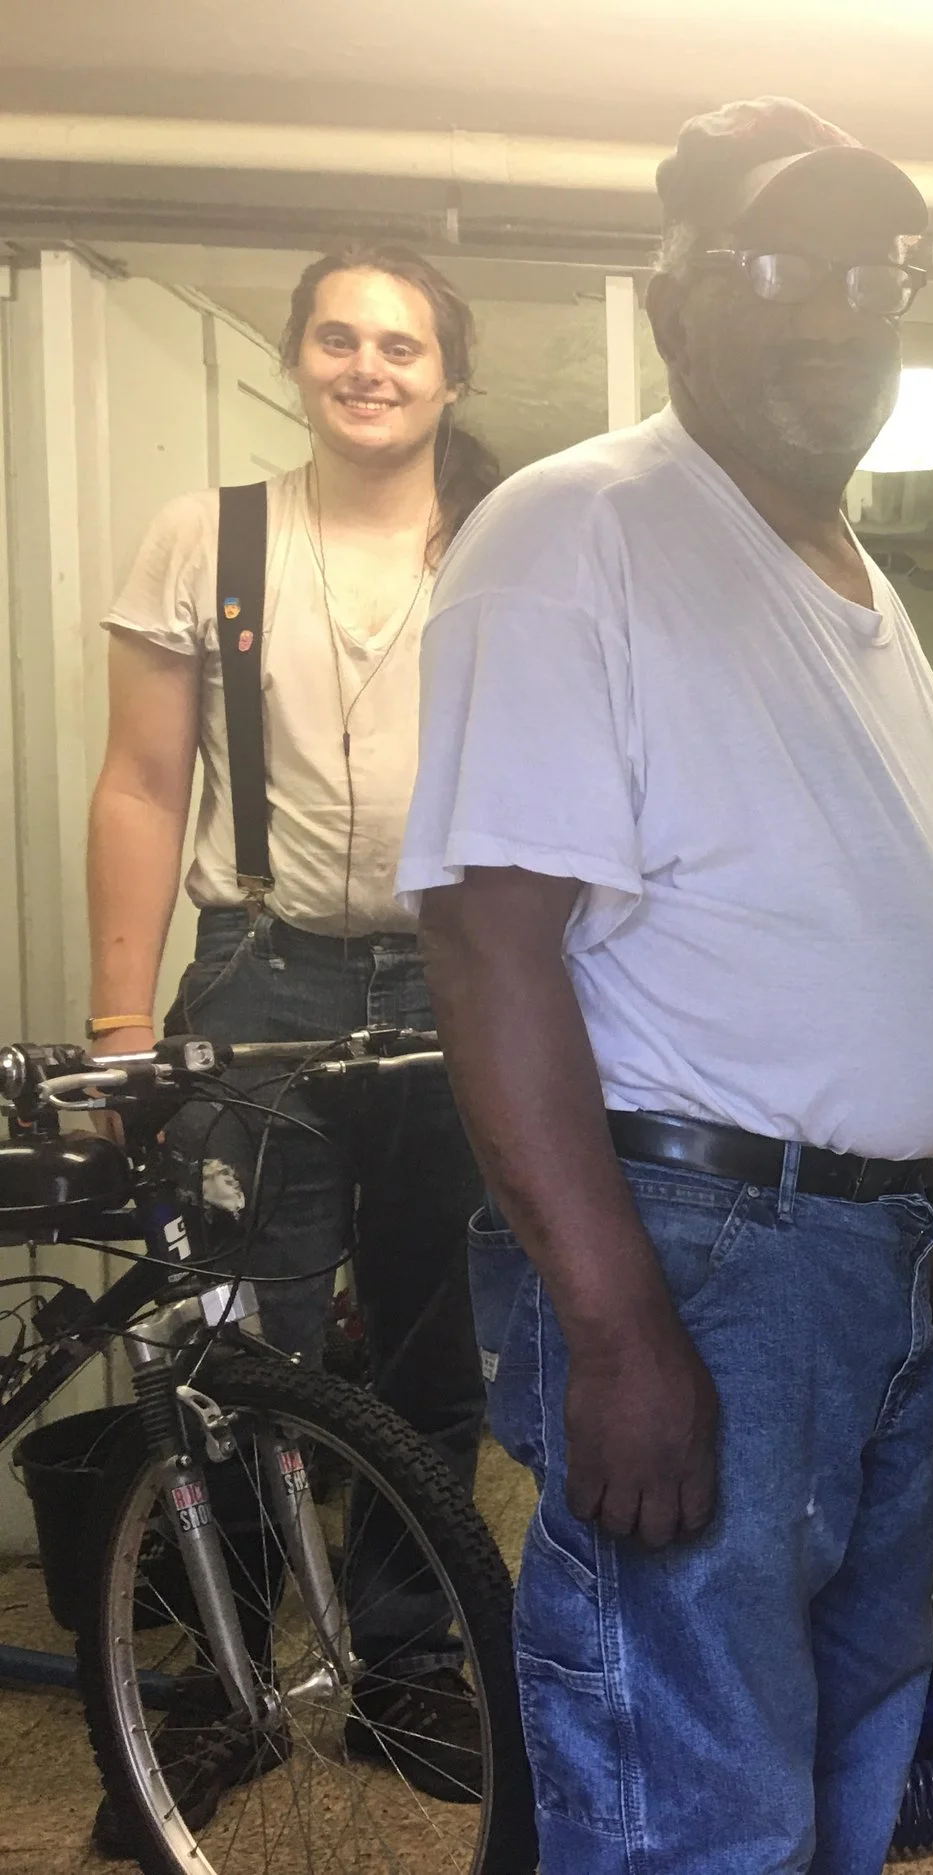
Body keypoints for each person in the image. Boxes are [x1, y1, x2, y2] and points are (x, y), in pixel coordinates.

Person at [397, 99, 933, 1875]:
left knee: (836, 1759)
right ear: (670, 301)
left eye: (864, 273)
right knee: (687, 1800)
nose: (830, 311)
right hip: (699, 1251)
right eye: (770, 265)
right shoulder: (576, 531)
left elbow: (877, 904)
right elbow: (487, 940)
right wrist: (613, 1327)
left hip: (852, 1254)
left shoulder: (848, 568)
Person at [84, 244, 502, 1839]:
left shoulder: (504, 540)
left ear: (448, 374)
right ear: (300, 359)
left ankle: (399, 1664)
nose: (369, 364)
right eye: (339, 336)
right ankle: (218, 1686)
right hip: (259, 977)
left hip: (456, 980)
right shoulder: (213, 534)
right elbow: (140, 780)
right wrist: (128, 1023)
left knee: (427, 1350)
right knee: (234, 1353)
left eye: (402, 342)